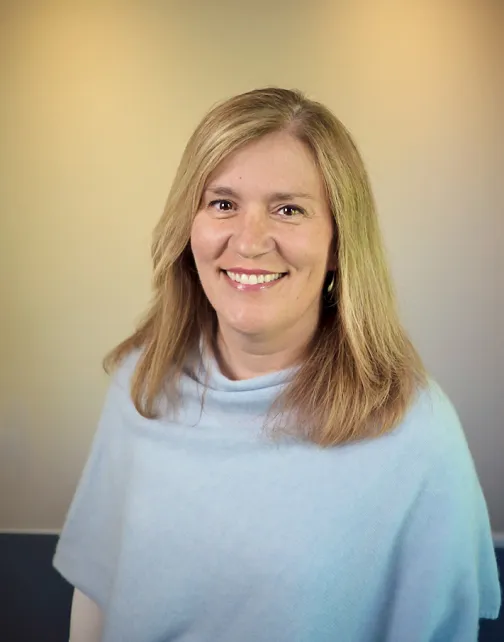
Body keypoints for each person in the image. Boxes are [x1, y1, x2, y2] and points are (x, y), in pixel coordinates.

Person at [53, 87, 501, 642]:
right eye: (223, 203)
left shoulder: (415, 430)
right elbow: (98, 593)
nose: (250, 240)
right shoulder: (141, 382)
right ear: (188, 227)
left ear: (340, 243)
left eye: (289, 210)